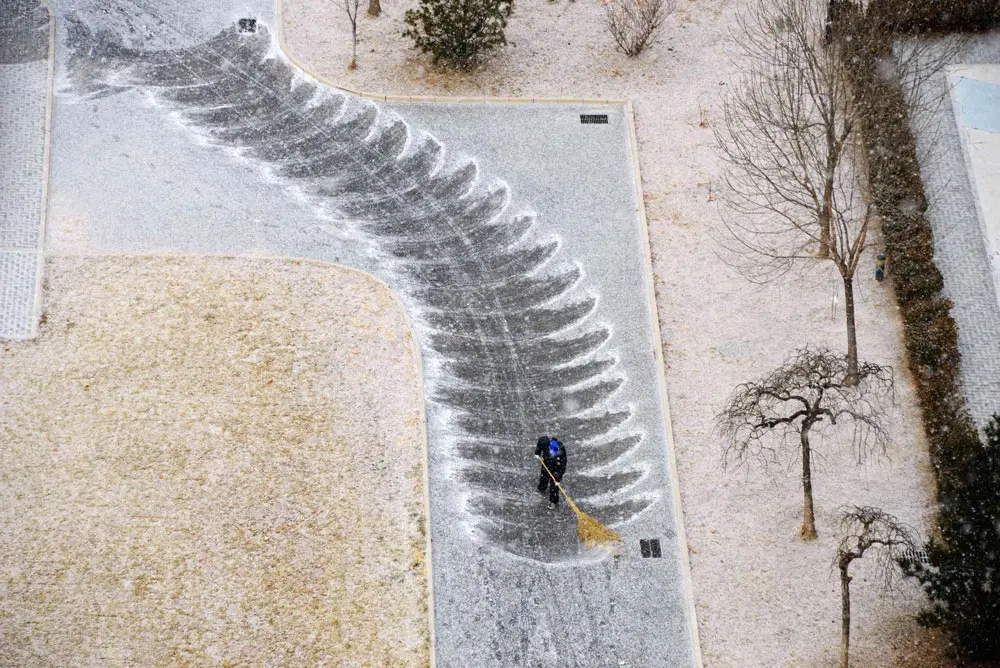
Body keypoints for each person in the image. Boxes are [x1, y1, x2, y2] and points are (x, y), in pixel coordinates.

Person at [535, 436, 568, 509]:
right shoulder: (545, 442)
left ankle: (553, 502)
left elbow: (563, 465)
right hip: (546, 463)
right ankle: (542, 487)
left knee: (554, 485)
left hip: (557, 466)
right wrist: (537, 452)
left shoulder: (561, 453)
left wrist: (558, 476)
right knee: (544, 476)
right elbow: (540, 441)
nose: (553, 453)